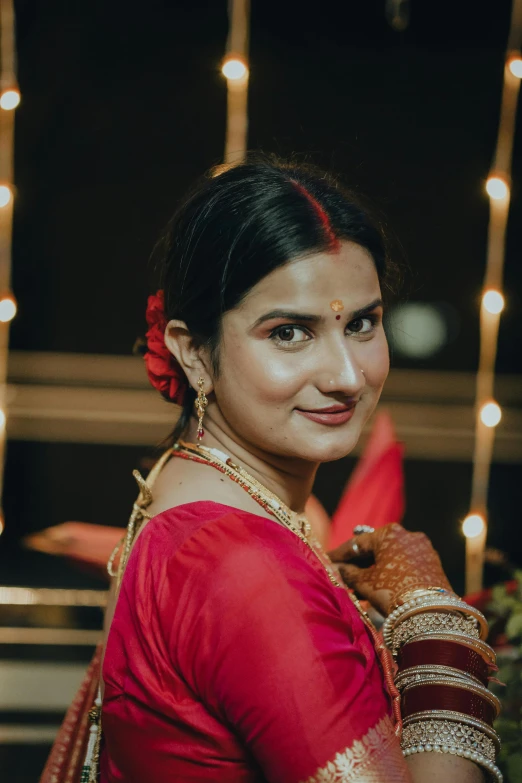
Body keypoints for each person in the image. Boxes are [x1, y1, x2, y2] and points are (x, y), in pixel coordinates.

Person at [66, 157, 502, 783]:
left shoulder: (177, 484)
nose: (347, 377)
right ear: (193, 353)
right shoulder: (242, 565)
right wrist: (431, 613)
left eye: (361, 324)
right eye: (290, 333)